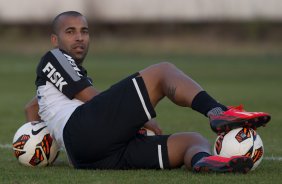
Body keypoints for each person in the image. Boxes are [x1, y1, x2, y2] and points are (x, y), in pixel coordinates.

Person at [24, 11, 271, 173]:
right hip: (84, 132)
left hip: (91, 157)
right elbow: (90, 97)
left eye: (84, 31)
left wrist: (47, 146)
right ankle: (218, 112)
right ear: (54, 40)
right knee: (162, 72)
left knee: (192, 141)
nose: (79, 38)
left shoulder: (56, 81)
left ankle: (204, 163)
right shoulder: (54, 57)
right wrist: (139, 118)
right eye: (70, 32)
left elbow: (31, 108)